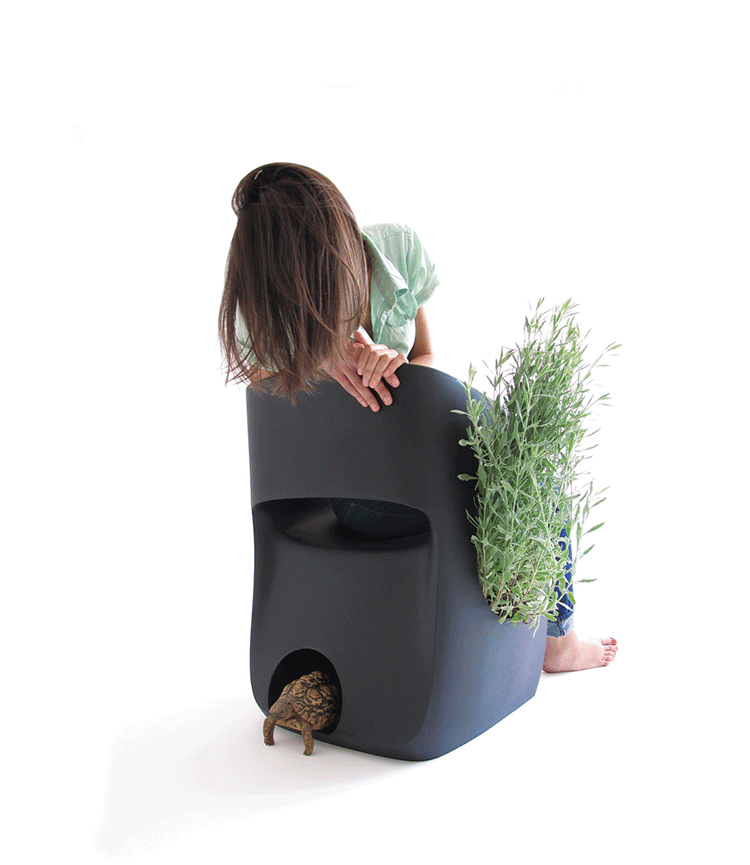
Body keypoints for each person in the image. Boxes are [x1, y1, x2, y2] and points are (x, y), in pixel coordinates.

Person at [218, 161, 617, 673]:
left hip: (421, 456)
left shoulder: (397, 251)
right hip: (361, 490)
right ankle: (537, 642)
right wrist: (321, 361)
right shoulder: (265, 310)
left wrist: (398, 370)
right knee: (512, 496)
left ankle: (539, 637)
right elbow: (269, 409)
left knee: (529, 470)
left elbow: (426, 355)